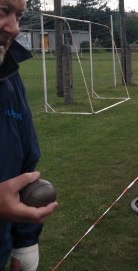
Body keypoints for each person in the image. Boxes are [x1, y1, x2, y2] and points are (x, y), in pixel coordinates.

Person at [0, 0, 58, 270]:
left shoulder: (10, 76)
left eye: (19, 16)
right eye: (2, 11)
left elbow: (25, 165)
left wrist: (25, 243)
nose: (13, 28)